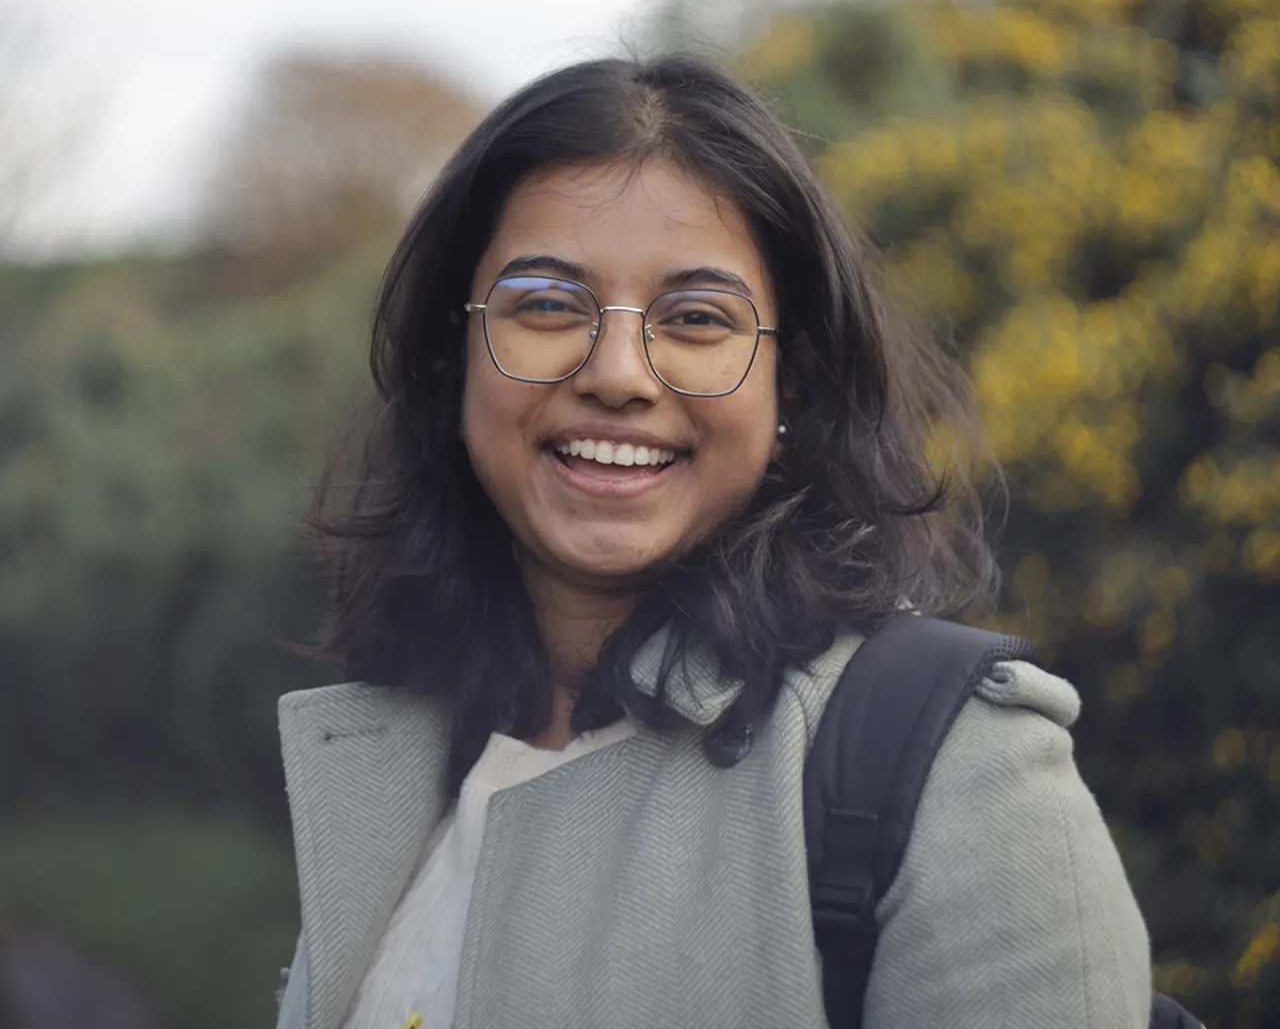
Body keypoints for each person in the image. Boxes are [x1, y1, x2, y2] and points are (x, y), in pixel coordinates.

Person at [274, 54, 1153, 1029]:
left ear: (794, 380)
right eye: (546, 305)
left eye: (696, 317)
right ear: (455, 356)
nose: (617, 373)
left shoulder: (952, 767)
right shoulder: (413, 745)